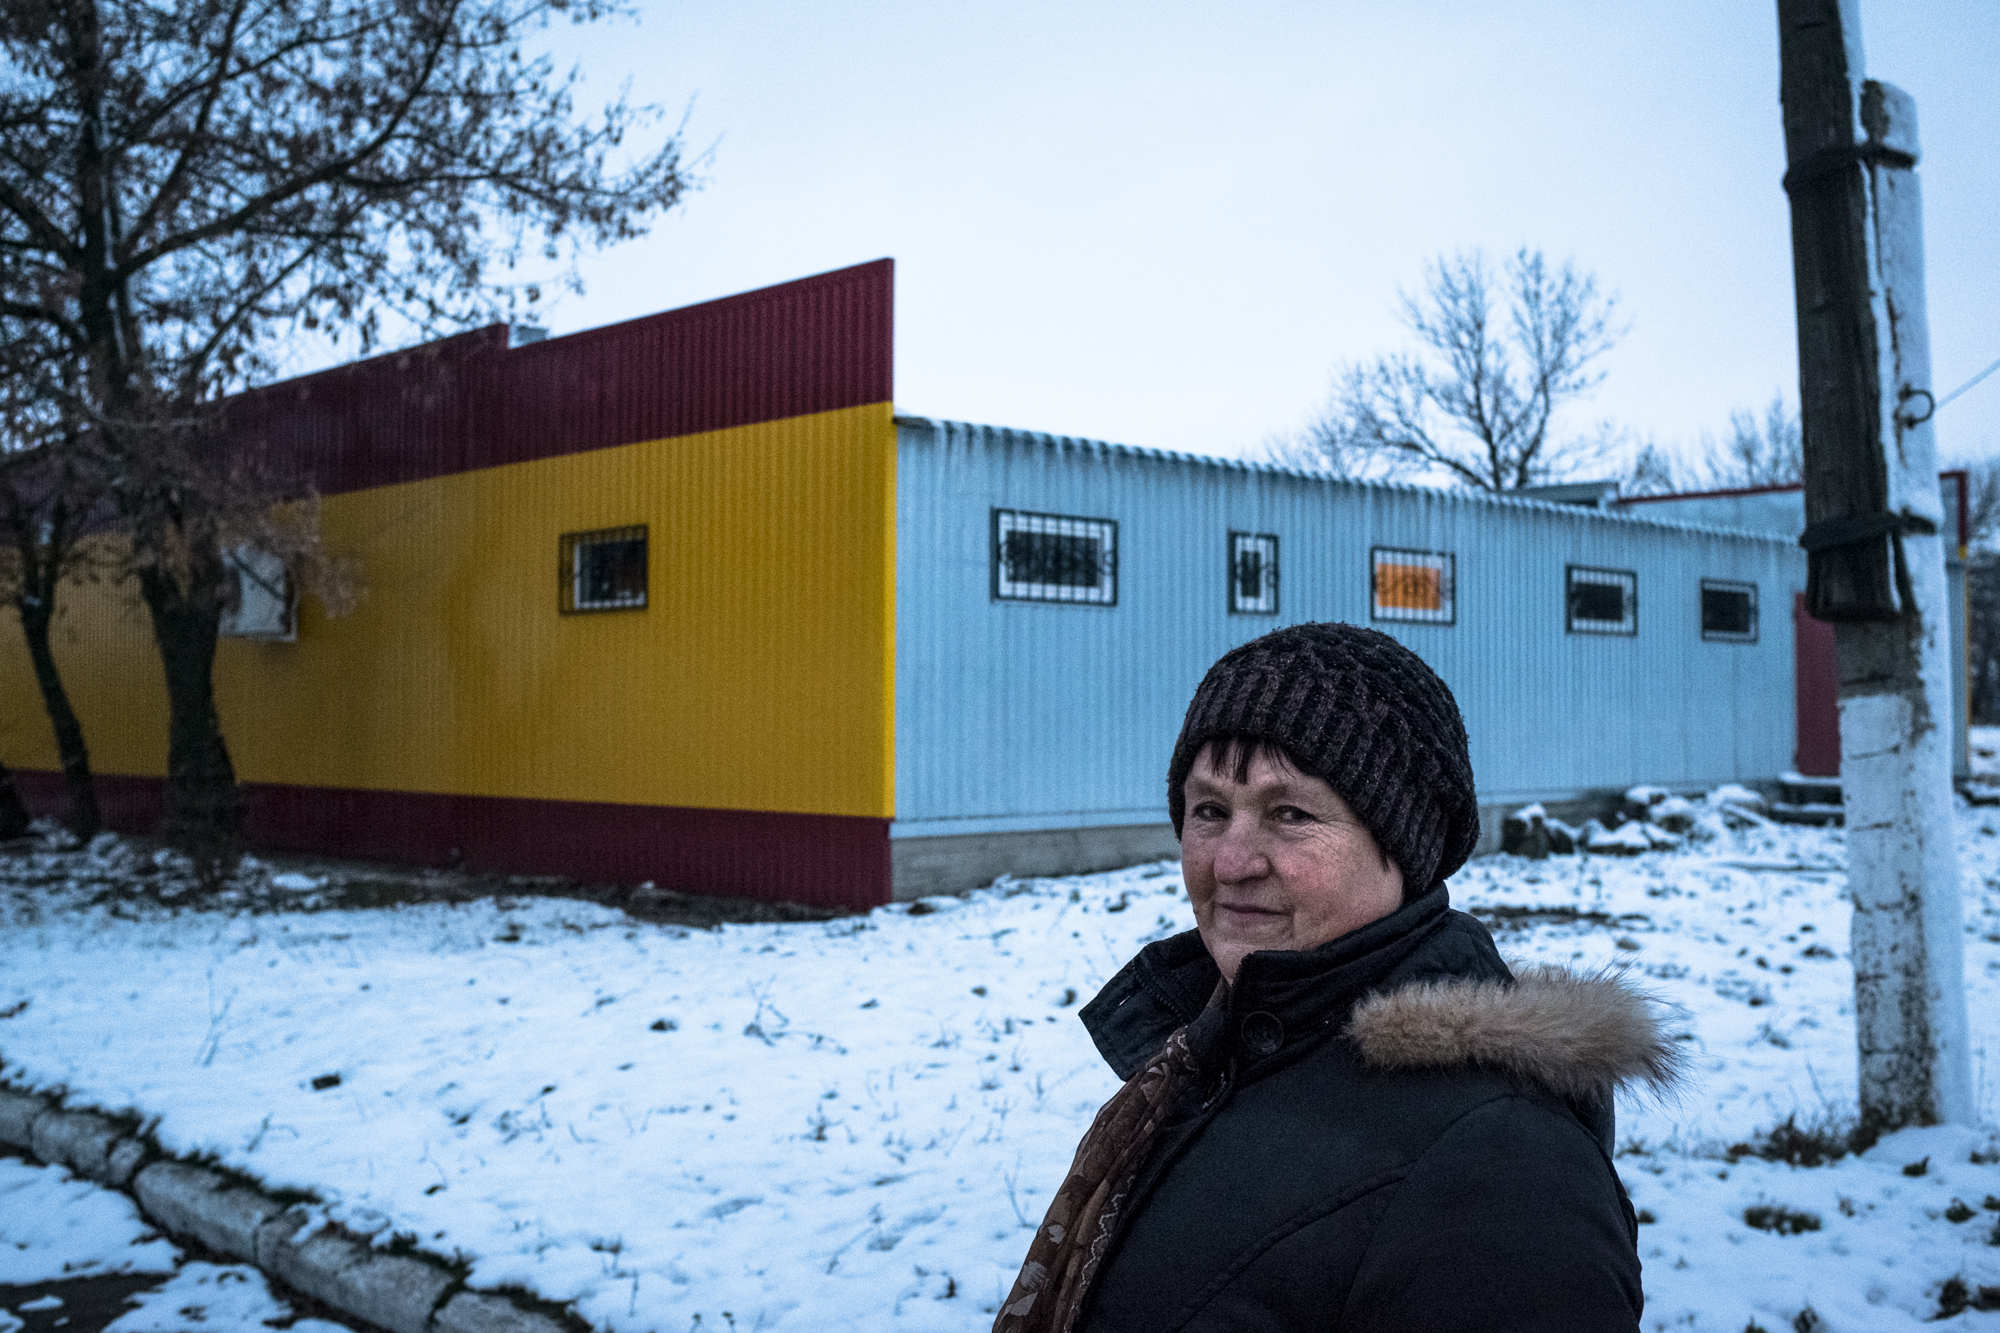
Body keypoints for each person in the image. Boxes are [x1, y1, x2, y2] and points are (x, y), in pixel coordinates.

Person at [994, 622, 1681, 1333]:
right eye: (1209, 810)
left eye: (1289, 813)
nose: (1231, 861)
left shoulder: (1503, 1174)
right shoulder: (1215, 1057)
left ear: (1401, 847)